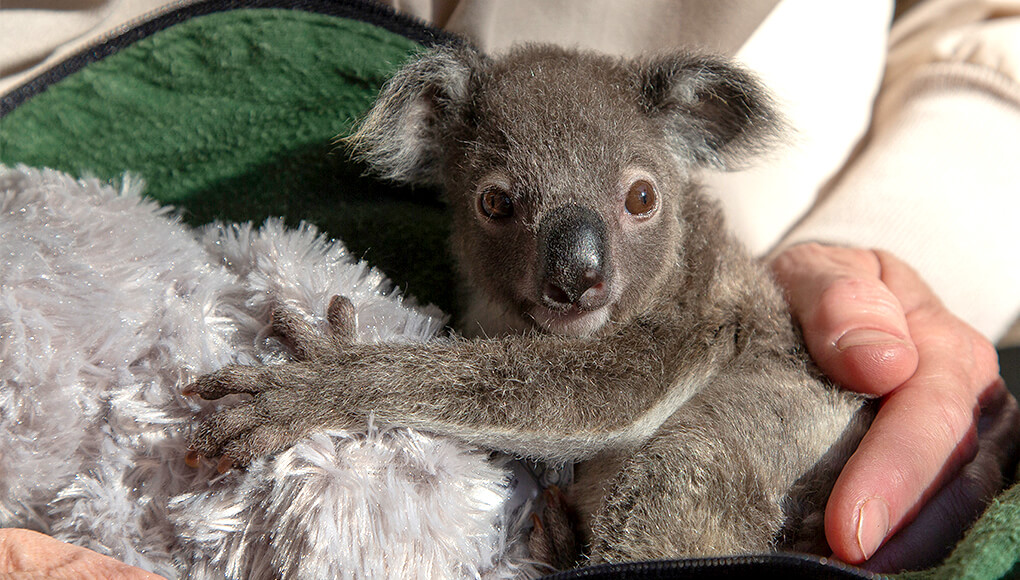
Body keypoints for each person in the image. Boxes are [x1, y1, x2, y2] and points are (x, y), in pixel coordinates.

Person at [1, 0, 1018, 576]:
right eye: (502, 206)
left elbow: (608, 395)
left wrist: (348, 384)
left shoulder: (685, 279)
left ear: (693, 139)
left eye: (633, 200)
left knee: (676, 477)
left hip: (780, 395)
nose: (576, 264)